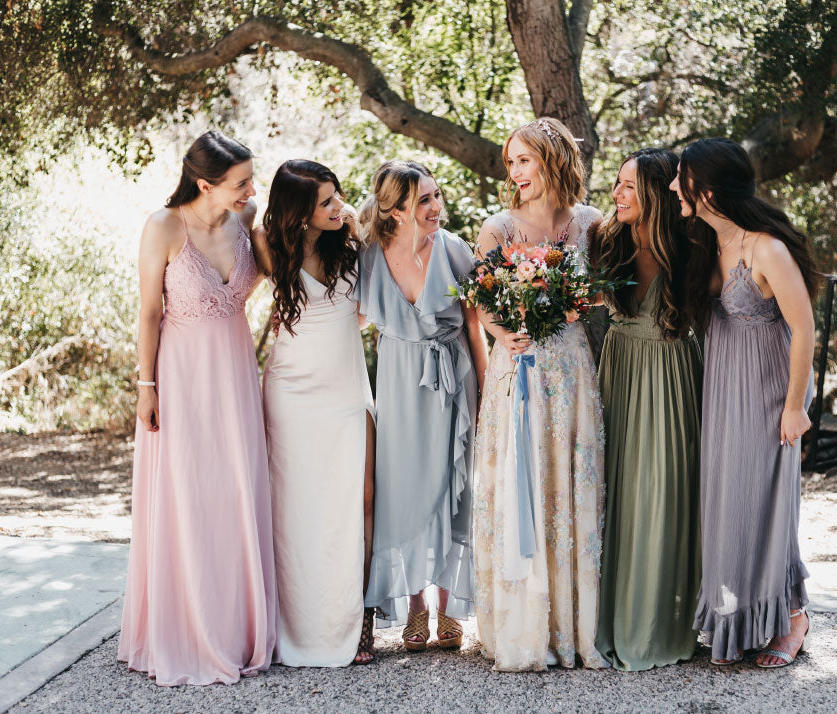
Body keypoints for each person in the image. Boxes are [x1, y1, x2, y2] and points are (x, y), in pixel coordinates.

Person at [118, 130, 276, 685]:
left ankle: (239, 628)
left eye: (251, 180)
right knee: (189, 492)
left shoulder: (247, 217)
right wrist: (146, 385)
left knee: (235, 490)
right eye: (240, 182)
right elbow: (147, 313)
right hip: (181, 377)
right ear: (204, 183)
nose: (251, 189)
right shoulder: (164, 227)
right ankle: (187, 629)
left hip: (234, 374)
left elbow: (275, 276)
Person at [670, 137, 818, 668]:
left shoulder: (766, 249)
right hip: (723, 386)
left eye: (680, 177)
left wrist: (795, 406)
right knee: (727, 501)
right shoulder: (708, 241)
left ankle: (792, 616)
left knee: (765, 504)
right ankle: (737, 622)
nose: (671, 186)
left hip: (766, 390)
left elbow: (804, 329)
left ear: (706, 189)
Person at [472, 117, 608, 671]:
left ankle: (575, 626)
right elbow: (479, 300)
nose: (516, 172)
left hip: (571, 369)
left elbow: (605, 288)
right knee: (521, 484)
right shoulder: (498, 227)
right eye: (511, 163)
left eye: (523, 160)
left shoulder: (591, 224)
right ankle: (523, 627)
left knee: (570, 484)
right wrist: (504, 331)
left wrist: (575, 304)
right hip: (518, 368)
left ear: (552, 158)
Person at [357, 160, 488, 651]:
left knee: (455, 487)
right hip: (398, 378)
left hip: (453, 378)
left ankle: (451, 606)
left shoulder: (454, 250)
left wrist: (486, 386)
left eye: (437, 195)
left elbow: (475, 326)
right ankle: (415, 605)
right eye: (425, 200)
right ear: (394, 212)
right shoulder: (370, 257)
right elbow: (351, 322)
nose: (437, 207)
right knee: (404, 489)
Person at [250, 160, 376, 666]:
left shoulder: (353, 244)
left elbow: (381, 285)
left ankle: (358, 619)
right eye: (324, 202)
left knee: (361, 499)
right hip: (291, 394)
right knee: (296, 508)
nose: (336, 205)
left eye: (337, 196)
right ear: (299, 212)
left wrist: (349, 220)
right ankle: (293, 622)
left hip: (346, 392)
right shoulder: (268, 246)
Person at [593, 148, 703, 670]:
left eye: (628, 187)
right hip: (619, 373)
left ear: (657, 194)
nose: (616, 194)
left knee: (660, 491)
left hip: (670, 376)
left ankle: (658, 620)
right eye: (616, 184)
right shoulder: (606, 239)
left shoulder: (691, 246)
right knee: (615, 490)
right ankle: (609, 617)